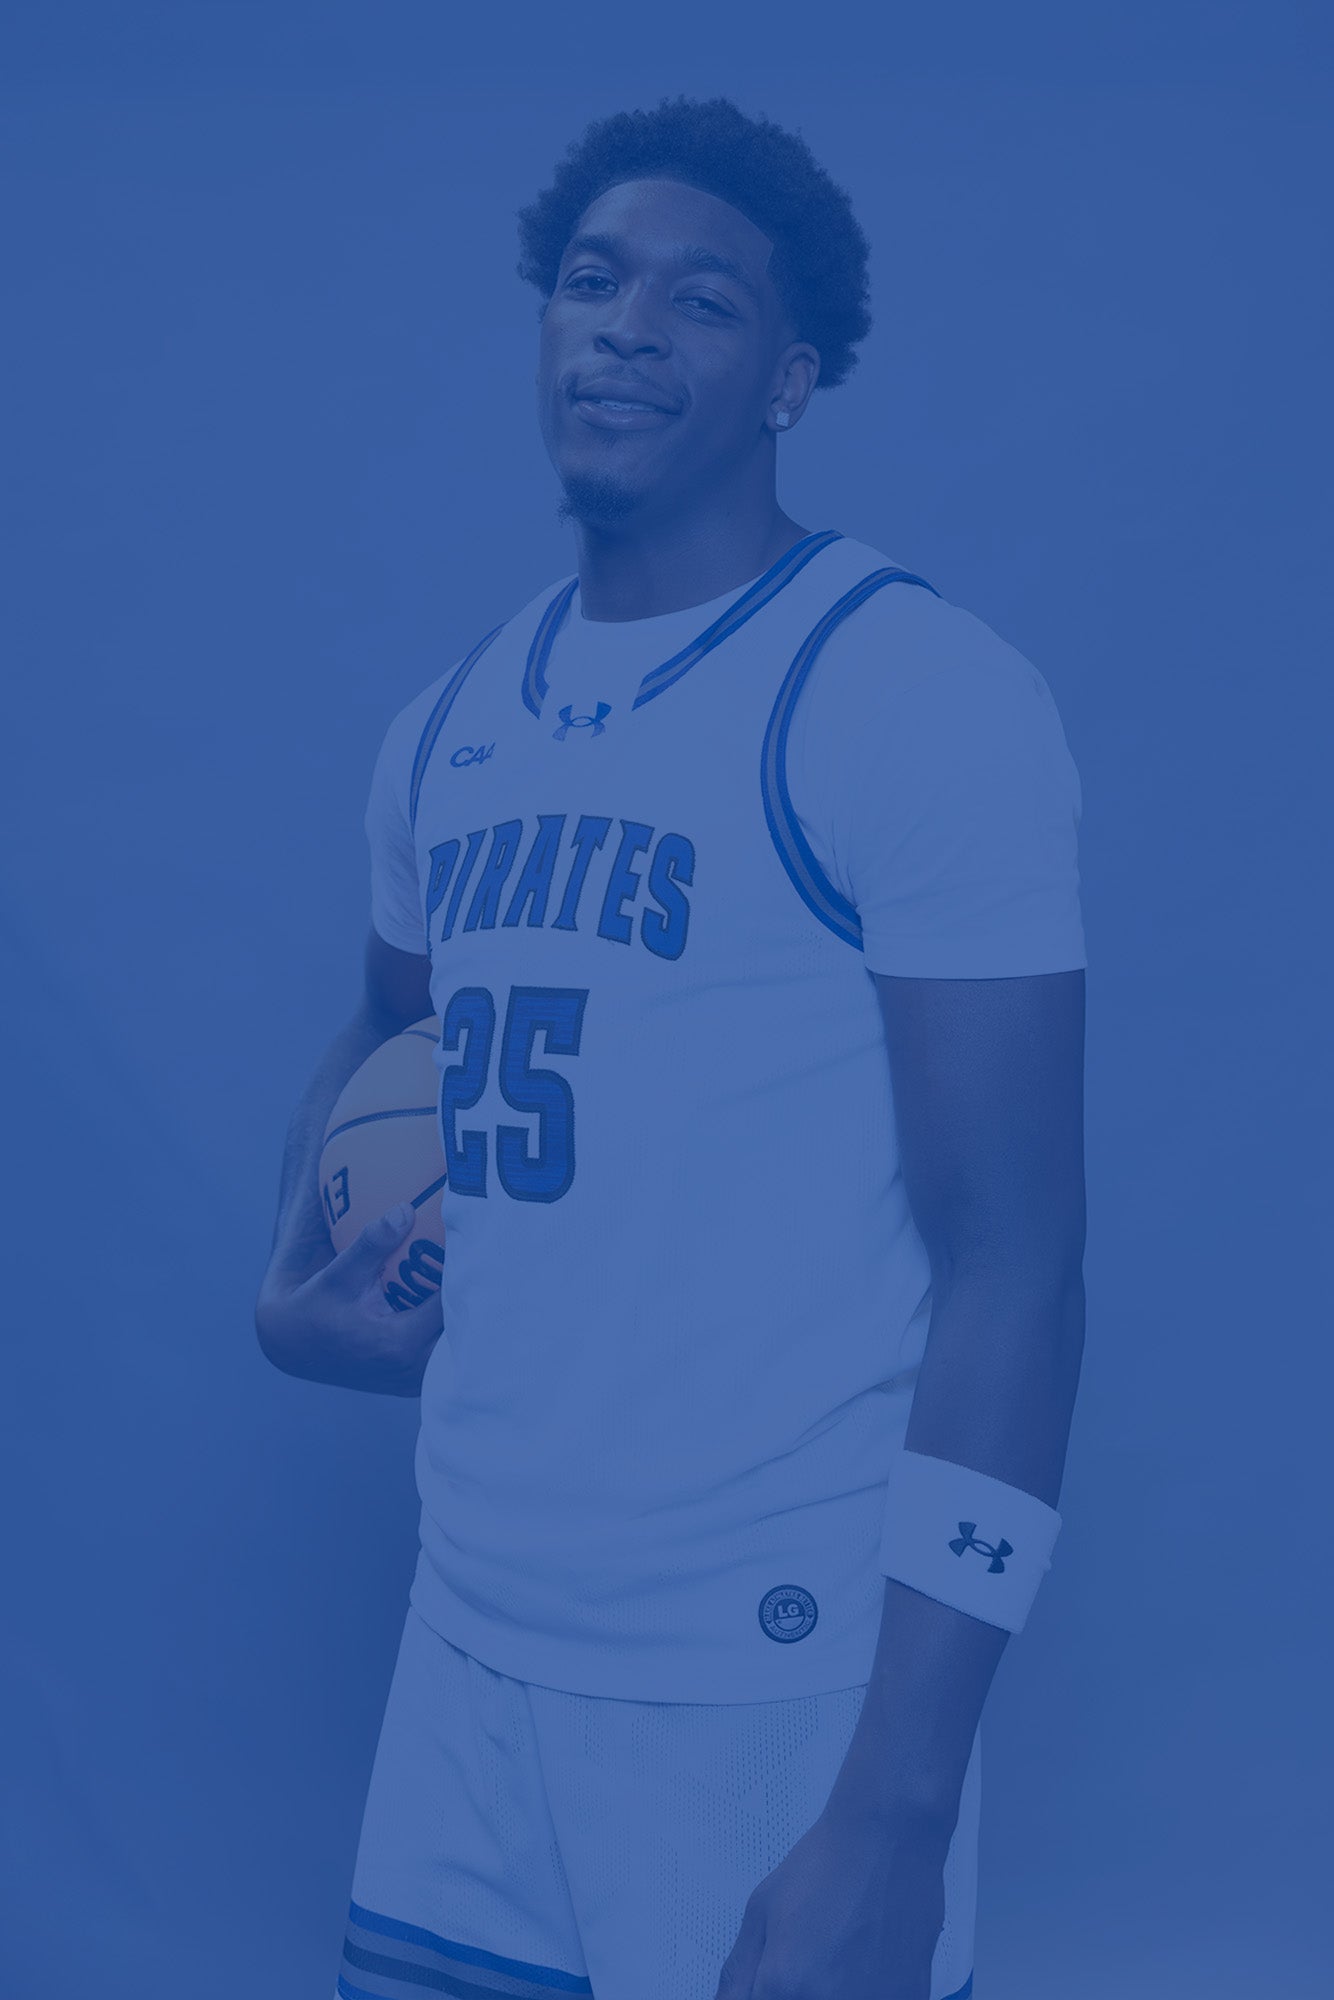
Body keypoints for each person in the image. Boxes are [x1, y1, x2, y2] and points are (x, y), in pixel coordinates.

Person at [256, 94, 1087, 2000]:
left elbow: (1017, 1268)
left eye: (698, 300)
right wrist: (290, 1279)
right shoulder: (448, 722)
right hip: (464, 1639)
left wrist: (897, 1809)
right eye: (591, 279)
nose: (624, 324)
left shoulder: (909, 693)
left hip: (763, 1682)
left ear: (793, 375)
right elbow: (393, 1034)